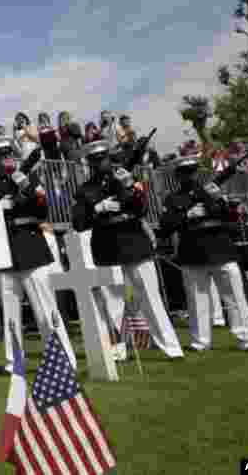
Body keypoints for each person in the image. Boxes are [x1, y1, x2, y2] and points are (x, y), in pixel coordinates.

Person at [71, 139, 183, 359]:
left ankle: (170, 346)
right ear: (90, 163)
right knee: (113, 303)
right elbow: (78, 222)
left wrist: (130, 185)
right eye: (95, 160)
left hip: (133, 242)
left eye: (102, 158)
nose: (100, 163)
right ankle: (119, 349)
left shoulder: (125, 177)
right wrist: (97, 208)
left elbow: (141, 208)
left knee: (150, 297)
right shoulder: (85, 190)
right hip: (106, 246)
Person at [0, 136, 77, 374]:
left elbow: (43, 210)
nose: (6, 159)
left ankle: (62, 360)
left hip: (31, 248)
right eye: (1, 156)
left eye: (9, 154)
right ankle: (14, 363)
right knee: (11, 315)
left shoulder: (30, 178)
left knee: (46, 309)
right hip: (4, 254)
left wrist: (26, 189)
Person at [158, 154, 248, 351]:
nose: (190, 176)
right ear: (178, 176)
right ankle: (200, 341)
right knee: (197, 301)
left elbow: (232, 217)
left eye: (192, 172)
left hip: (220, 250)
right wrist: (187, 214)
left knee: (236, 299)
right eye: (185, 173)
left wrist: (219, 199)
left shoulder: (212, 192)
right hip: (192, 252)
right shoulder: (173, 199)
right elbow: (165, 227)